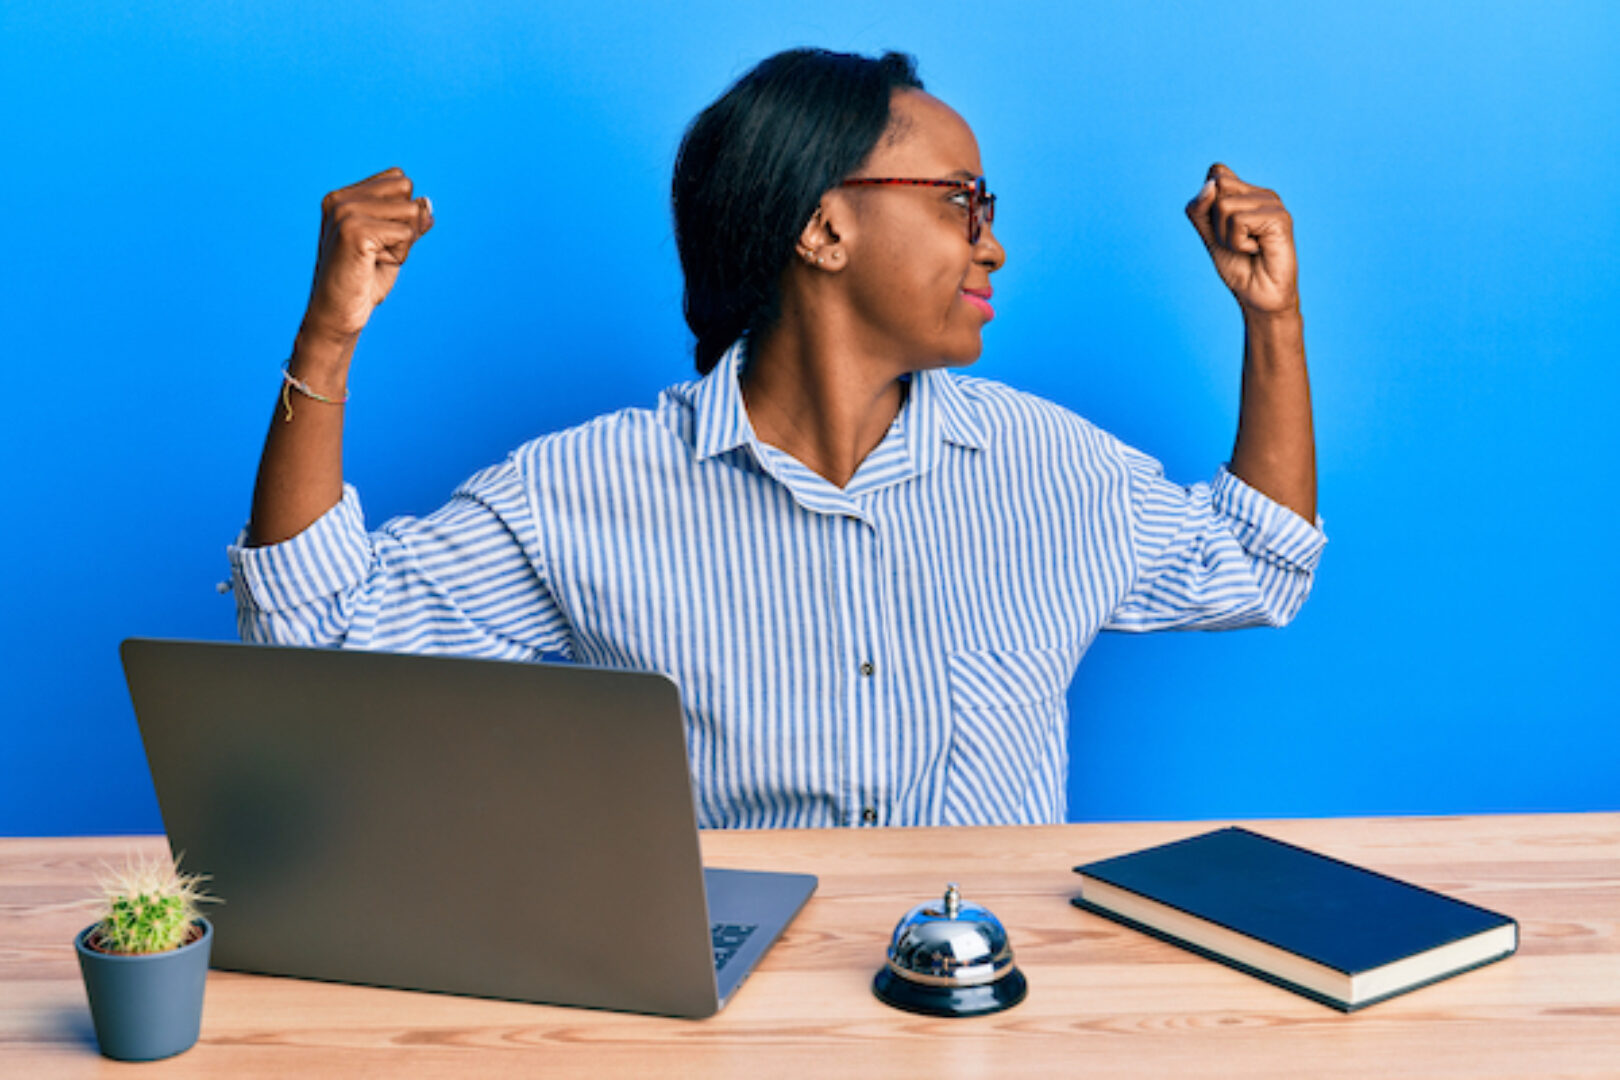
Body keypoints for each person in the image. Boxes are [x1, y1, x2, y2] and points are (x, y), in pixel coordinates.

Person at [230, 48, 1324, 829]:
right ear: (821, 224)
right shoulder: (583, 490)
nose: (994, 247)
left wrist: (1272, 319)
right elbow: (318, 635)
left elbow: (1258, 564)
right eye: (960, 201)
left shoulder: (1057, 469)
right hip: (725, 1018)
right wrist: (328, 336)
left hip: (987, 1016)